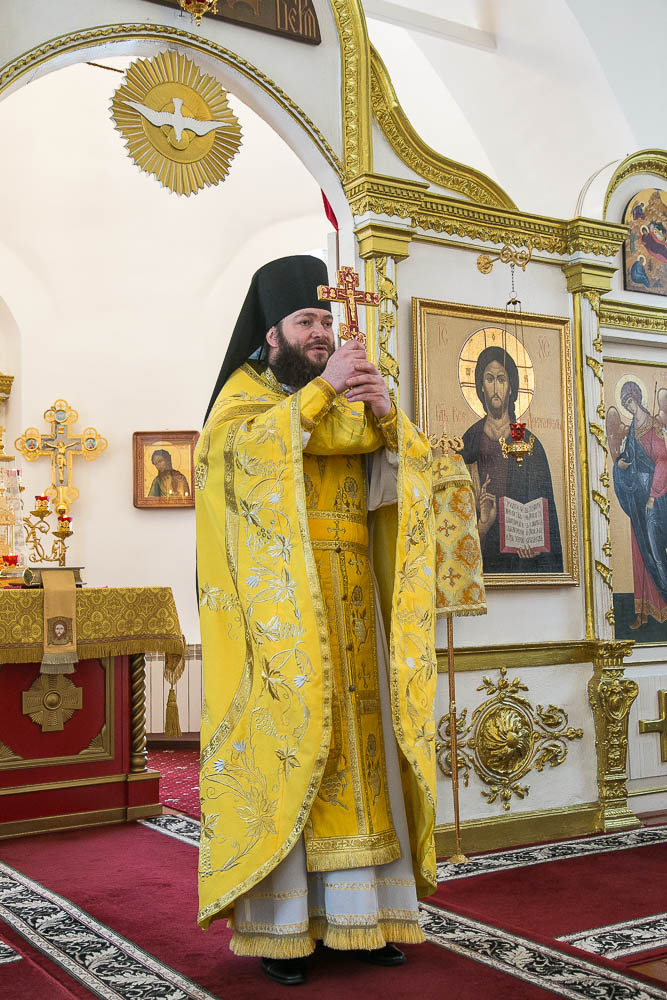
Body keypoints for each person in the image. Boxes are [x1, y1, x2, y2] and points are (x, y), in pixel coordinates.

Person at [195, 255, 439, 986]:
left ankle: (364, 919)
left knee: (365, 751)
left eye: (327, 322)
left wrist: (387, 414)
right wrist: (324, 391)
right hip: (285, 620)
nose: (321, 334)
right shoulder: (244, 400)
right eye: (306, 321)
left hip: (357, 606)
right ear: (271, 334)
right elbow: (236, 460)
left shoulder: (356, 399)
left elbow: (414, 477)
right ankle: (283, 930)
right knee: (295, 751)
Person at [460, 345, 563, 574]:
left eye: (501, 379)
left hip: (520, 561)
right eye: (489, 379)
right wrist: (480, 522)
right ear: (481, 387)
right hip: (484, 551)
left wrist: (537, 546)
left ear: (510, 388)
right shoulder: (470, 440)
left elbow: (546, 511)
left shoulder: (529, 442)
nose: (496, 387)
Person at [611, 381, 667, 628]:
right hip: (636, 499)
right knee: (640, 554)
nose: (628, 406)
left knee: (655, 553)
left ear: (637, 399)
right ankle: (643, 611)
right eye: (625, 404)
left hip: (653, 500)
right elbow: (627, 458)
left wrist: (653, 496)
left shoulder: (653, 427)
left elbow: (663, 462)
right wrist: (620, 466)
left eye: (630, 401)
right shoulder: (632, 429)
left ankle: (663, 603)